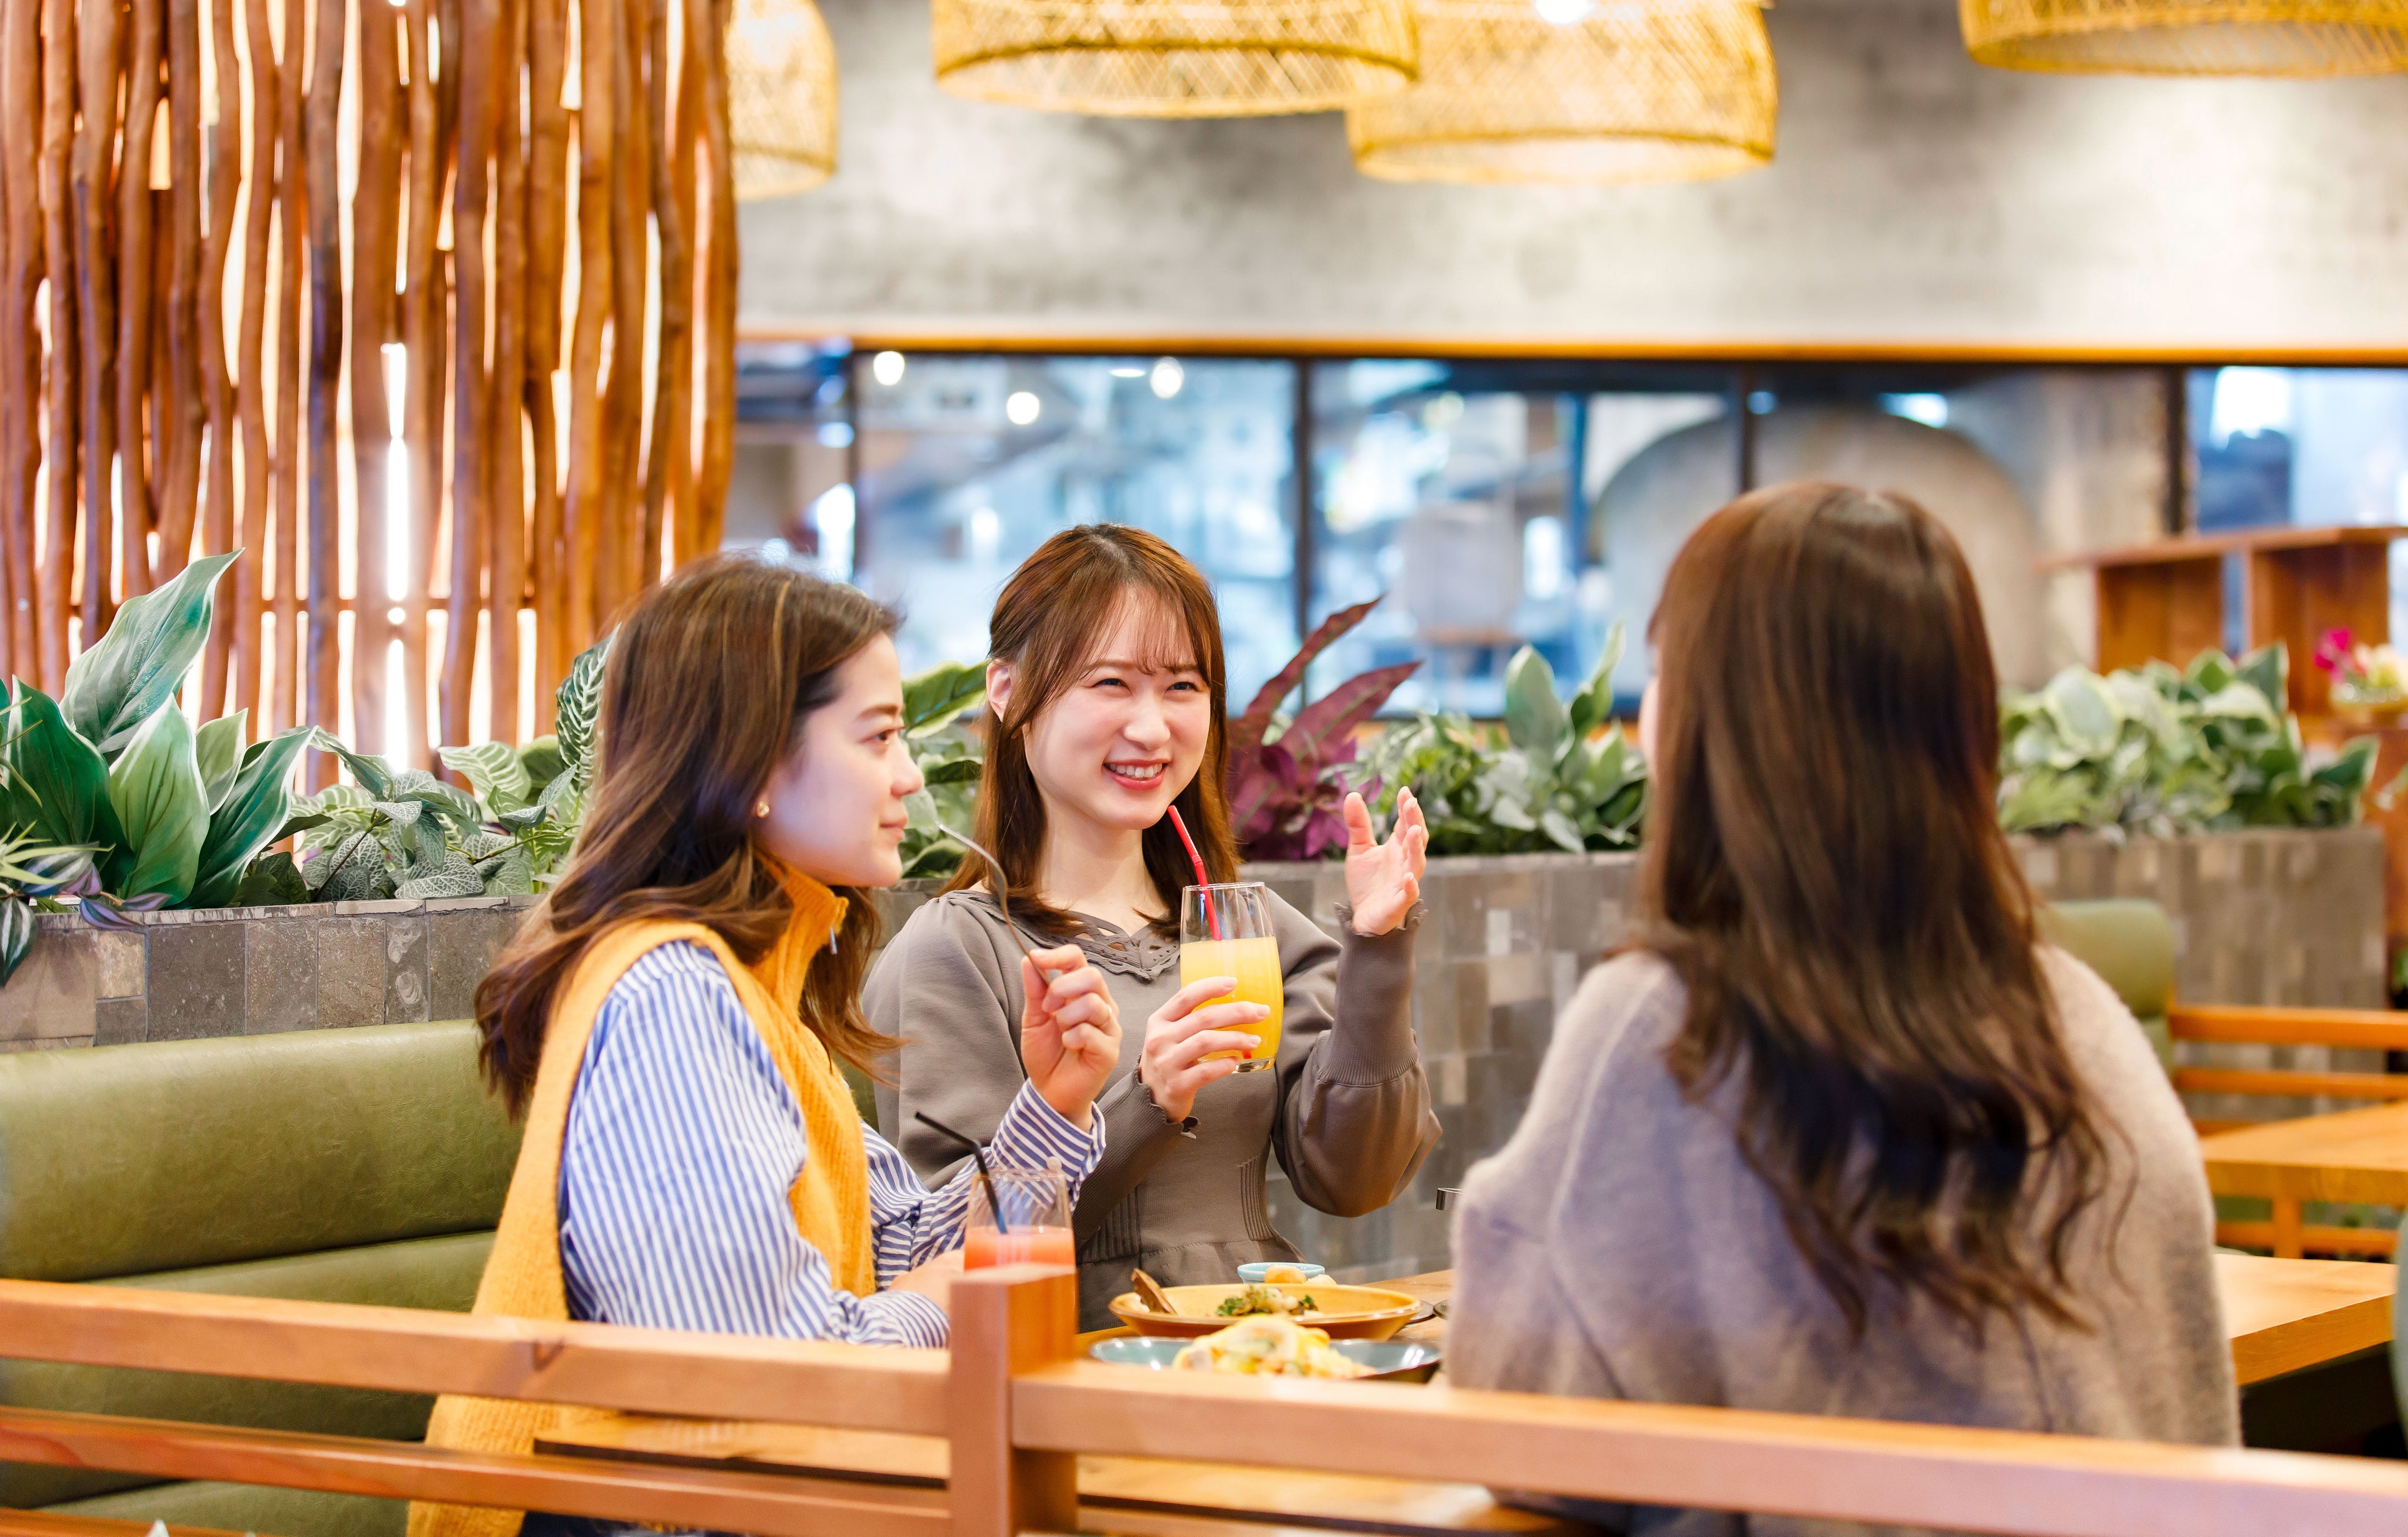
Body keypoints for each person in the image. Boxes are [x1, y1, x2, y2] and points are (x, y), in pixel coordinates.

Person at [1446, 483, 2236, 1535]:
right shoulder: (2078, 1015)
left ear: (1713, 727)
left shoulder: (1671, 1029)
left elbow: (1518, 1416)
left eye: (1665, 673)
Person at [411, 558, 1121, 1537]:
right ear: (750, 767)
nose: (910, 776)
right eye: (879, 736)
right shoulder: (672, 998)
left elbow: (893, 1247)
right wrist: (943, 1304)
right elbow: (761, 1378)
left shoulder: (754, 989)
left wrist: (1056, 1102)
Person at [865, 524, 1439, 1329]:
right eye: (1111, 683)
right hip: (1077, 1377)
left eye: (1182, 687)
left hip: (1254, 1354)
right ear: (1006, 691)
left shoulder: (1250, 931)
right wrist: (1145, 1105)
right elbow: (945, 1260)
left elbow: (1355, 1181)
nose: (1151, 728)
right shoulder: (957, 951)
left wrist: (1378, 950)